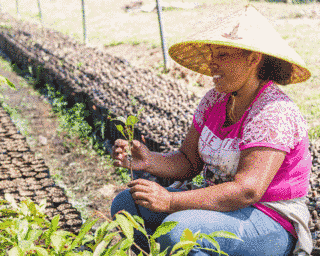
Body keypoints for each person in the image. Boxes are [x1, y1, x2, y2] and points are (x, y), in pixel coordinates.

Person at [111, 5, 312, 256]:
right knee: (127, 205)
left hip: (268, 219)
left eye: (223, 55)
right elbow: (188, 161)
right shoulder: (214, 100)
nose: (211, 63)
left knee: (179, 232)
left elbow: (247, 190)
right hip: (219, 208)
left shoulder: (272, 110)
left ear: (253, 59)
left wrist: (171, 201)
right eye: (212, 55)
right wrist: (150, 160)